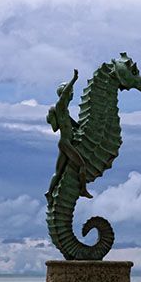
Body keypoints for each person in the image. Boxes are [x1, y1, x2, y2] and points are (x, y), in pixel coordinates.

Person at [45, 69, 92, 202]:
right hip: (65, 143)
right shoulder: (60, 107)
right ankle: (83, 189)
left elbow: (76, 126)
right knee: (82, 165)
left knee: (58, 172)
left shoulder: (65, 113)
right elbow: (64, 94)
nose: (71, 94)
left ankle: (49, 193)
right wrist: (74, 79)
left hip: (64, 144)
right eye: (70, 92)